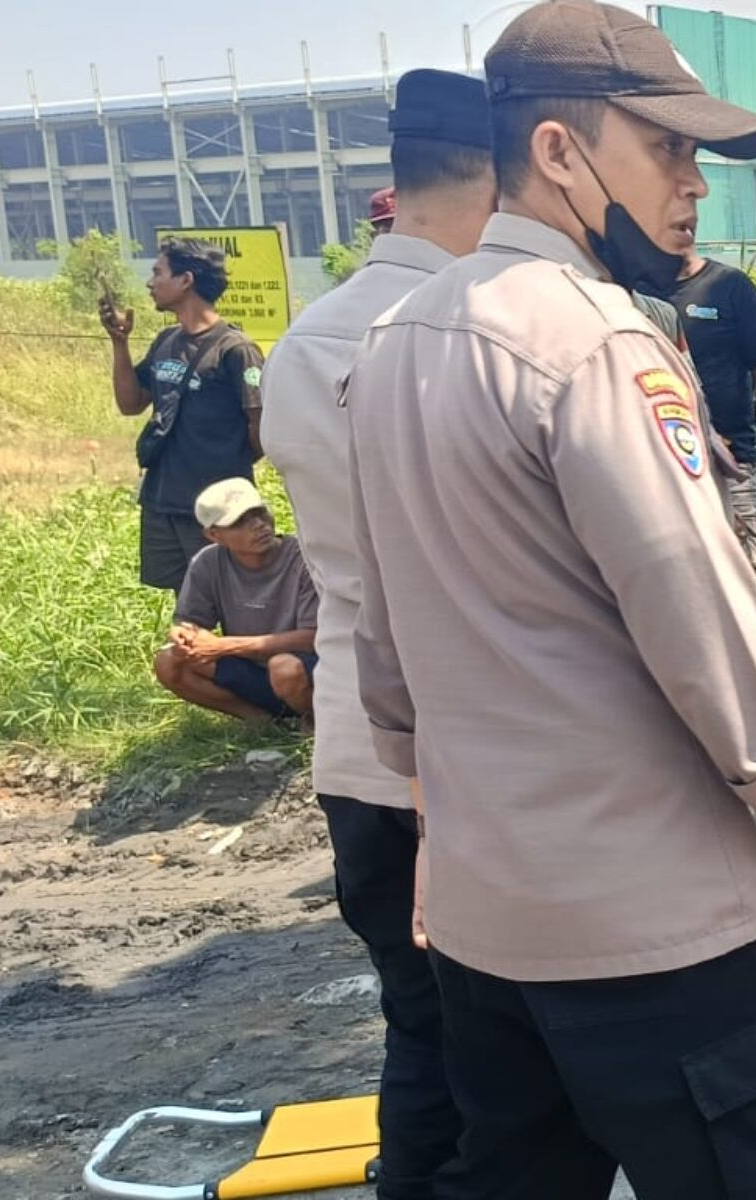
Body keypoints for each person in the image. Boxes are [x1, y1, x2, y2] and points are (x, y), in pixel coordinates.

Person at [340, 4, 756, 1195]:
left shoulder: (394, 341)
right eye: (666, 148)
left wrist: (439, 830)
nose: (693, 184)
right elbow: (704, 630)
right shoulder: (596, 342)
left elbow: (383, 643)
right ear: (558, 151)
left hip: (489, 929)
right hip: (649, 930)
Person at [259, 67, 493, 1200]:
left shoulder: (305, 341)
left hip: (358, 751)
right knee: (513, 1060)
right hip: (476, 754)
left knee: (421, 1029)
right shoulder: (472, 330)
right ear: (494, 177)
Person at [103, 238, 266, 592]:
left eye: (158, 273)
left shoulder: (235, 350)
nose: (150, 283)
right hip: (164, 500)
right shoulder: (166, 341)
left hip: (217, 509)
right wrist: (119, 342)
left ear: (186, 280)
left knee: (230, 596)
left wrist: (228, 464)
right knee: (187, 601)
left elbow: (261, 427)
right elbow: (131, 403)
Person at [671, 248, 756, 585]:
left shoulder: (729, 285)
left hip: (733, 462)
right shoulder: (636, 292)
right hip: (665, 467)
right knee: (682, 580)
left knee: (749, 579)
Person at [153, 478, 318, 724]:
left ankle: (313, 719)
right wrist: (184, 636)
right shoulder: (208, 563)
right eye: (239, 522)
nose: (258, 525)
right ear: (214, 535)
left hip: (303, 668)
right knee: (169, 661)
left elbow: (313, 637)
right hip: (249, 668)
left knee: (283, 668)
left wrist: (224, 646)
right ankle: (259, 720)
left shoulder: (304, 559)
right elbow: (190, 622)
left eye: (259, 513)